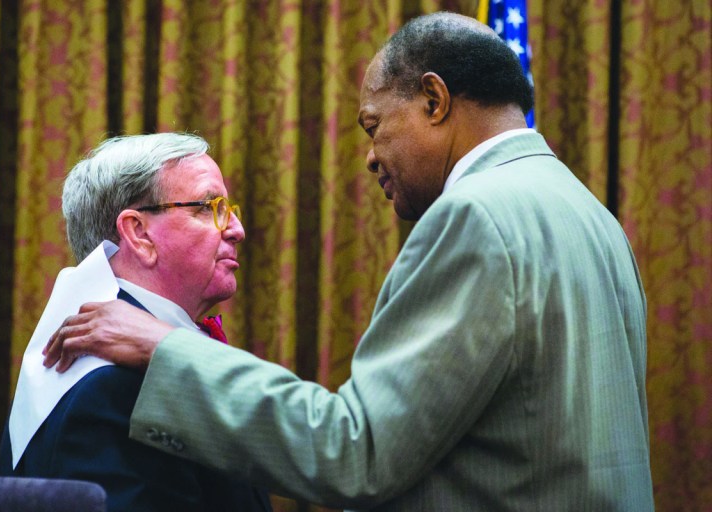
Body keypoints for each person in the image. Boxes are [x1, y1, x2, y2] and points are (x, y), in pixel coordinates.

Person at [43, 13, 654, 511]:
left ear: (434, 100)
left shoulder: (476, 216)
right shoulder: (593, 217)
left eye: (373, 126)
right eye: (209, 208)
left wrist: (165, 349)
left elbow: (357, 453)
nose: (370, 157)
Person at [0, 133, 272, 512]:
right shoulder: (115, 387)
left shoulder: (130, 364)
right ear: (139, 233)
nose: (237, 229)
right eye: (209, 207)